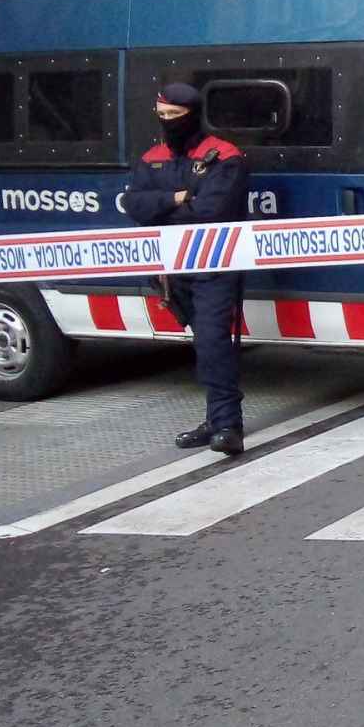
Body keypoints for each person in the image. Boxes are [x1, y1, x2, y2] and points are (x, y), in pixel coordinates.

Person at [121, 83, 251, 455]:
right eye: (161, 116)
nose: (167, 123)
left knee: (212, 340)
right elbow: (133, 204)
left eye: (174, 117)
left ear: (192, 115)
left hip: (213, 265)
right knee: (203, 343)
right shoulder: (152, 157)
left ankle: (228, 426)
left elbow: (212, 212)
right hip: (170, 269)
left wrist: (159, 209)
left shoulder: (224, 156)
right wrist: (175, 198)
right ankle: (216, 419)